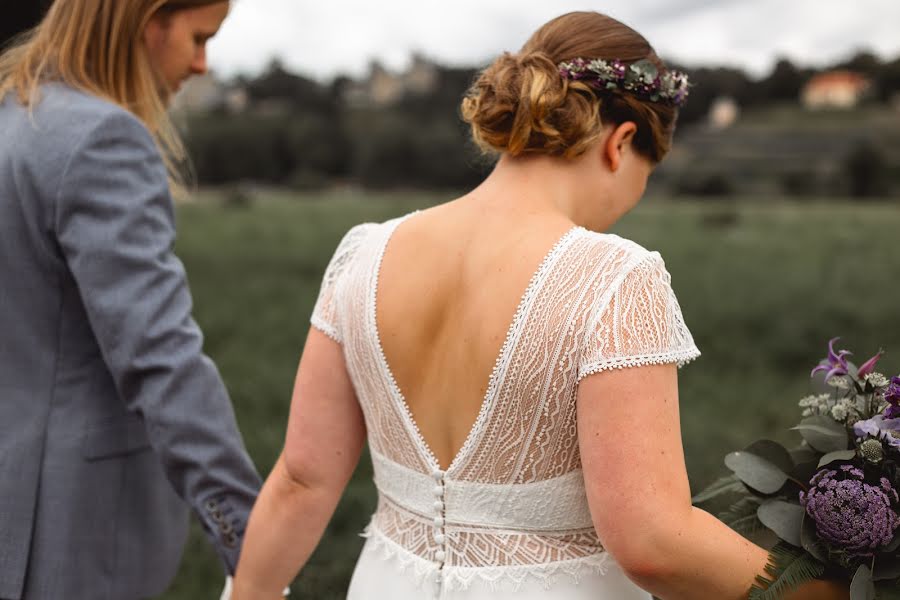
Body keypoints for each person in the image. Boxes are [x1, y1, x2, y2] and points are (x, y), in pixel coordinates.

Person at [230, 11, 849, 600]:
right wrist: (820, 591)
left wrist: (251, 591)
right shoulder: (612, 278)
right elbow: (653, 541)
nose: (632, 198)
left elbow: (303, 478)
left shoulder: (363, 255)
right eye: (645, 172)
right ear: (622, 141)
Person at [0, 1, 263, 599]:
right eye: (199, 37)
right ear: (146, 21)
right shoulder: (101, 138)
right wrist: (254, 541)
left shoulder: (14, 118)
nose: (202, 64)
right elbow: (161, 359)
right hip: (68, 536)